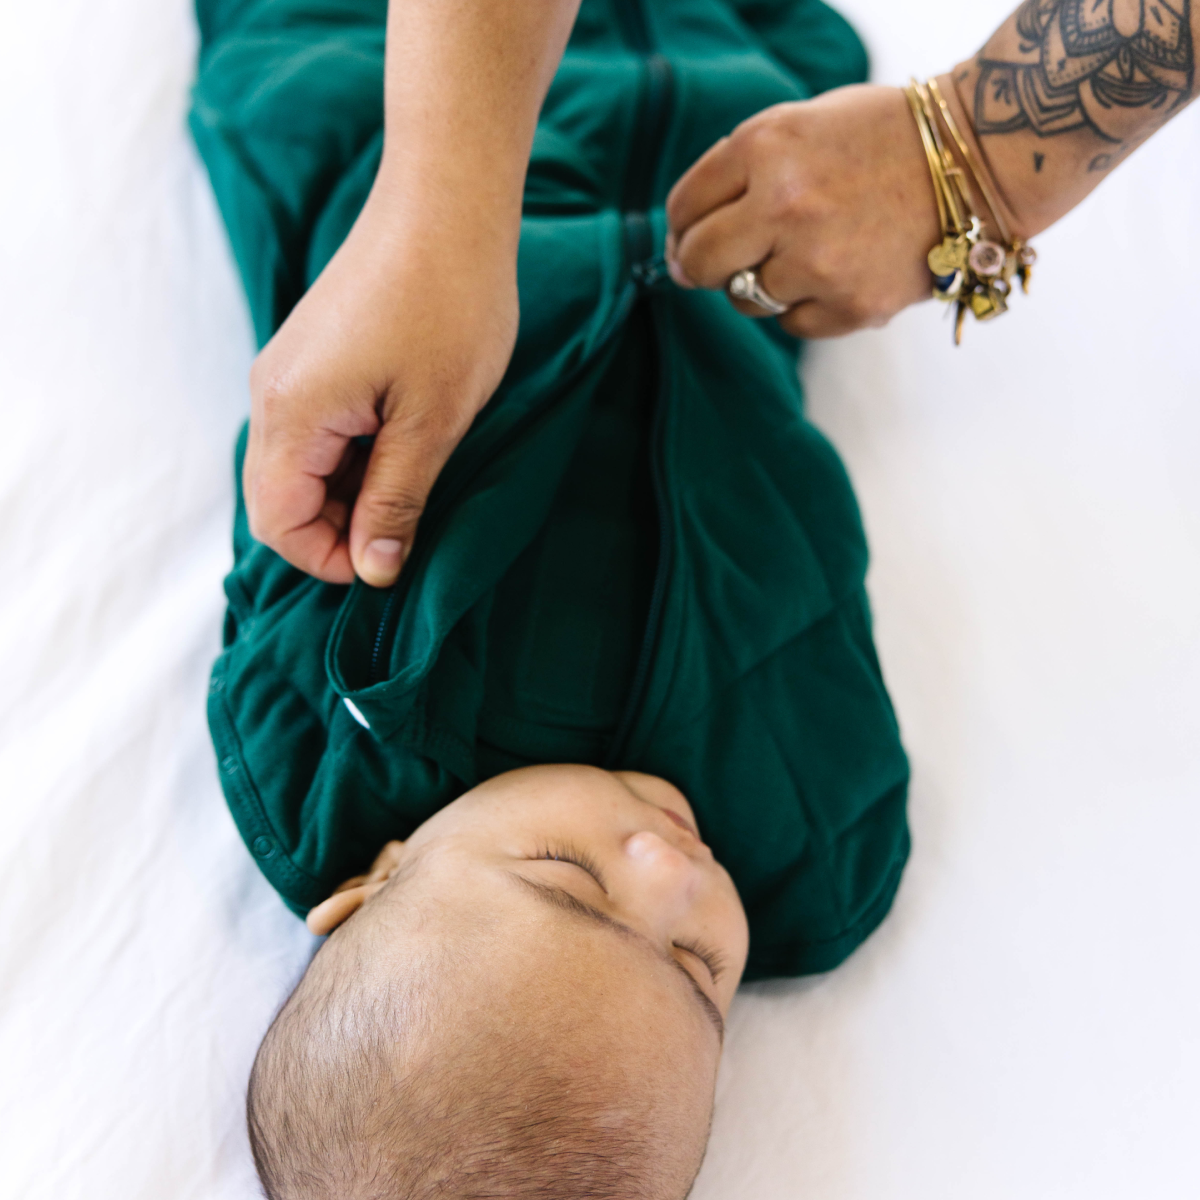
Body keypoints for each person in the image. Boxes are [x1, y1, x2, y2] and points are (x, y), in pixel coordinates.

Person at [190, 0, 1196, 1195]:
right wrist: (968, 155)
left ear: (372, 884)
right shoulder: (809, 851)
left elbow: (294, 534)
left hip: (383, 122)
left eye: (568, 881)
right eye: (697, 971)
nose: (674, 874)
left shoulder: (323, 758)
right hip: (731, 168)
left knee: (295, 88)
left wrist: (434, 211)